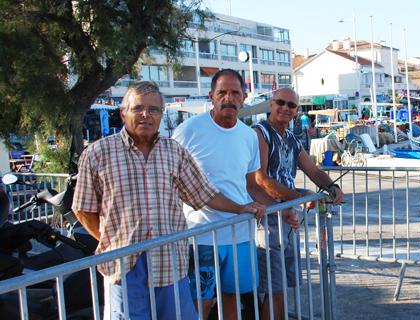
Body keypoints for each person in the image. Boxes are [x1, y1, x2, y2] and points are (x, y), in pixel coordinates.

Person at [72, 81, 265, 320]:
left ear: (161, 115)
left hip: (169, 263)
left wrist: (241, 208)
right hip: (124, 267)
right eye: (138, 108)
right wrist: (111, 242)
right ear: (123, 113)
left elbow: (204, 193)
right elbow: (82, 209)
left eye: (154, 109)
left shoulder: (173, 151)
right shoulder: (98, 153)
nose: (146, 115)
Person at [172, 69, 298, 319]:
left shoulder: (248, 136)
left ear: (244, 97)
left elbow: (252, 186)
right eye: (222, 92)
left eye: (234, 93)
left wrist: (281, 209)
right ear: (211, 96)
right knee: (201, 302)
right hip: (202, 235)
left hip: (240, 234)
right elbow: (173, 181)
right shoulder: (188, 131)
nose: (228, 98)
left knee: (233, 297)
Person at [253, 87, 344, 320]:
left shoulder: (291, 138)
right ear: (271, 105)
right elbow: (260, 179)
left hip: (287, 216)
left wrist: (331, 187)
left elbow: (312, 169)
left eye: (291, 105)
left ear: (296, 111)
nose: (285, 108)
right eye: (280, 102)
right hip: (268, 218)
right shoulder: (260, 133)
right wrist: (300, 199)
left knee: (283, 287)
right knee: (274, 289)